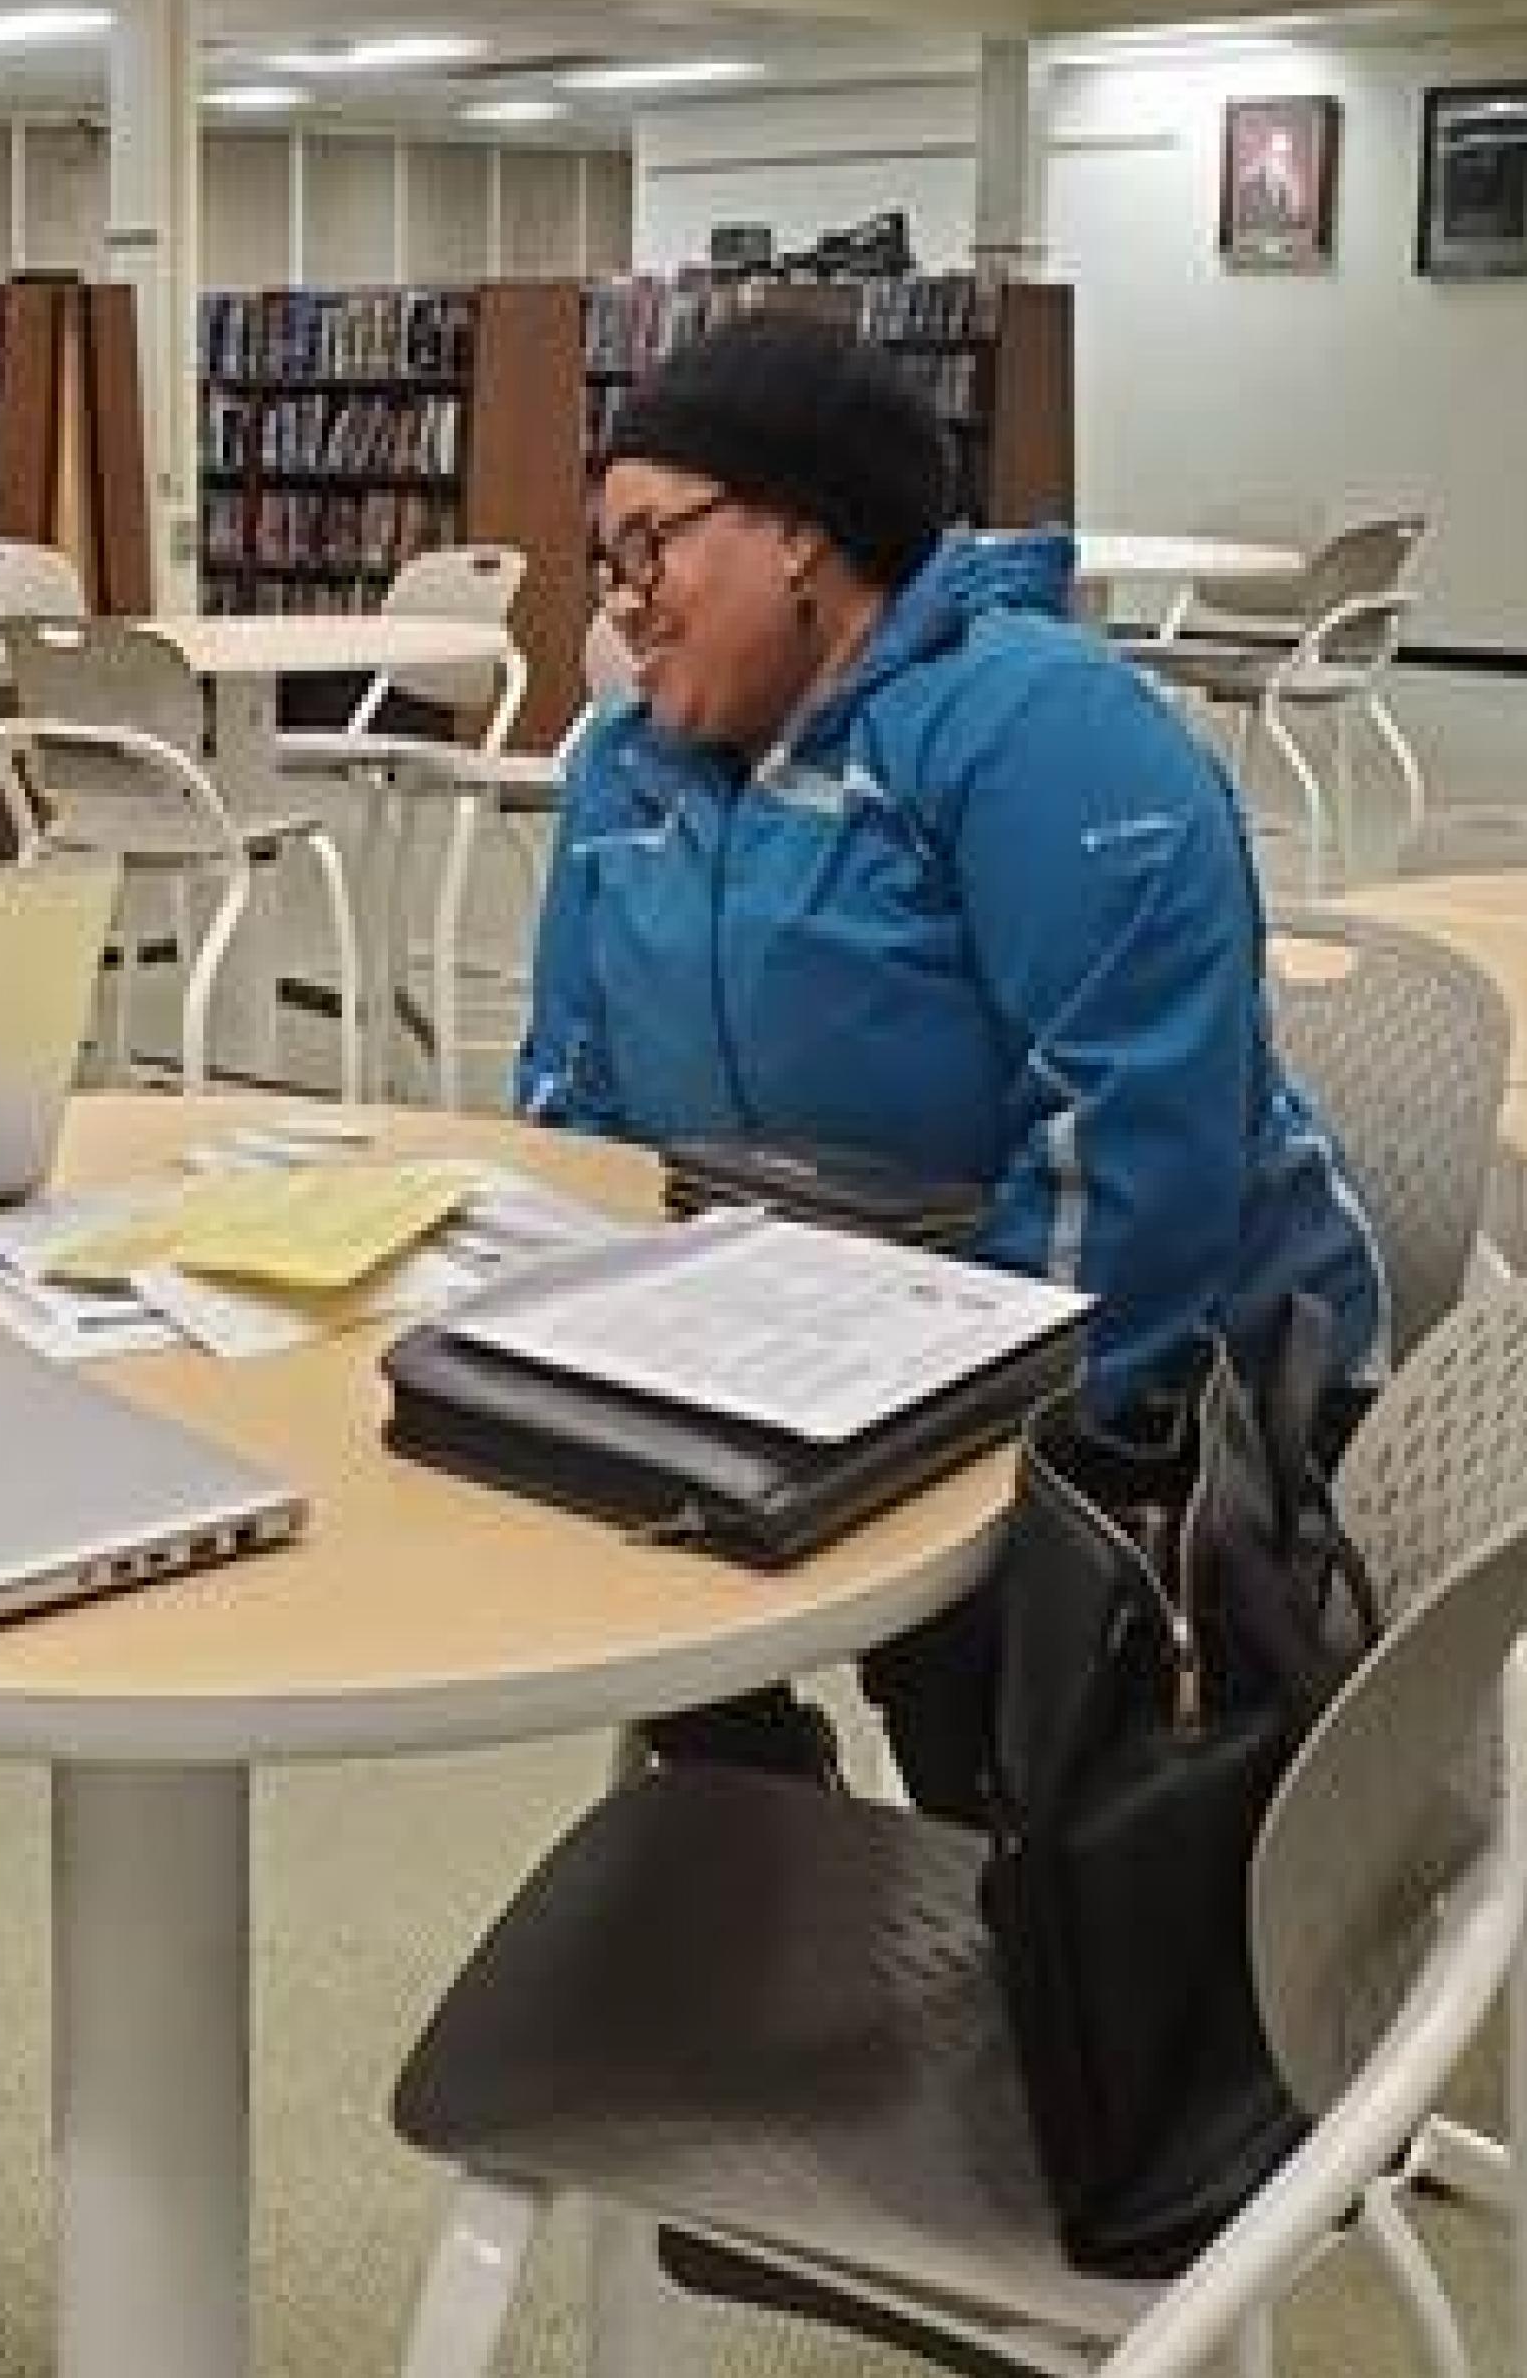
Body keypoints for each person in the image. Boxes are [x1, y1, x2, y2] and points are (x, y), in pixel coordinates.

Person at [521, 316, 1384, 1808]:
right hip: (805, 1350)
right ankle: (765, 1819)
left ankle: (1026, 1931)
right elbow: (571, 1096)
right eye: (607, 562)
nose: (624, 604)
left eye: (652, 545)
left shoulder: (1041, 731)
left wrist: (933, 1433)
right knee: (568, 1478)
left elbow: (1130, 1153)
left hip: (1142, 1390)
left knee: (996, 1720)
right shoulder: (623, 766)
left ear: (799, 531)